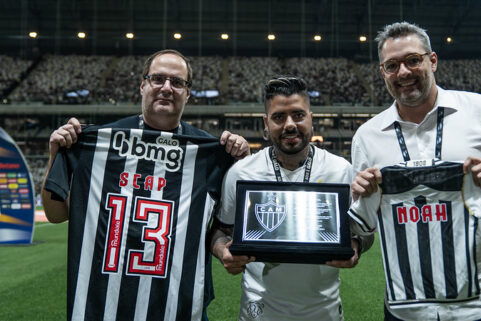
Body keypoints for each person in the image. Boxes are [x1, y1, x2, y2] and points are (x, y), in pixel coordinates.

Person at [349, 22, 481, 321]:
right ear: (382, 72)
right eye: (392, 65)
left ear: (432, 60)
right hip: (407, 310)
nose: (403, 72)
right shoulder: (367, 136)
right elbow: (361, 224)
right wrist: (360, 195)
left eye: (413, 60)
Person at [41, 49, 249, 321]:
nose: (166, 88)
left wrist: (242, 162)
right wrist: (55, 155)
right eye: (158, 79)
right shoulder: (99, 143)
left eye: (177, 82)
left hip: (176, 306)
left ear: (188, 93)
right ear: (142, 85)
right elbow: (56, 214)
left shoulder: (209, 156)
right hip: (104, 304)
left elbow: (226, 226)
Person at [209, 76, 373, 321]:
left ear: (311, 119)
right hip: (259, 312)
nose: (289, 125)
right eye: (278, 117)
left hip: (323, 312)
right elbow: (220, 229)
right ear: (266, 124)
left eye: (298, 115)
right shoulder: (242, 172)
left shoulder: (341, 171)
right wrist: (222, 251)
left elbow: (365, 233)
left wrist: (357, 246)